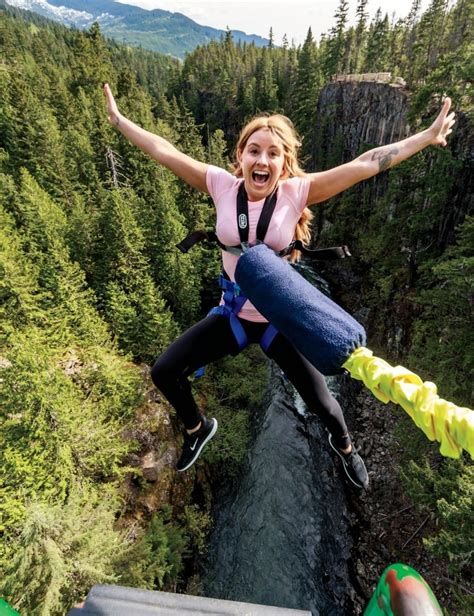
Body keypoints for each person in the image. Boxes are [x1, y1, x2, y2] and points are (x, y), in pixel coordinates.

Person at [104, 83, 455, 488]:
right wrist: (121, 122)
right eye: (254, 150)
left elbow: (366, 163)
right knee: (165, 372)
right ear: (240, 156)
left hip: (281, 320)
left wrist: (426, 137)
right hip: (234, 315)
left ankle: (345, 448)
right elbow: (165, 151)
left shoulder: (296, 192)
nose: (262, 160)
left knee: (324, 403)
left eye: (273, 153)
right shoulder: (221, 186)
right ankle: (198, 429)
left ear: (285, 164)